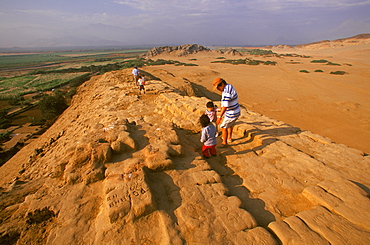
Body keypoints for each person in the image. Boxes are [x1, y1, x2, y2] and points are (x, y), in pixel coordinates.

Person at [213, 77, 240, 147]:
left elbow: (225, 106)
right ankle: (229, 138)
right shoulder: (229, 86)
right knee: (229, 125)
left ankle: (224, 143)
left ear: (222, 84)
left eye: (218, 87)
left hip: (231, 113)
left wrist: (219, 116)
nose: (218, 90)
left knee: (223, 127)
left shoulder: (226, 93)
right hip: (236, 110)